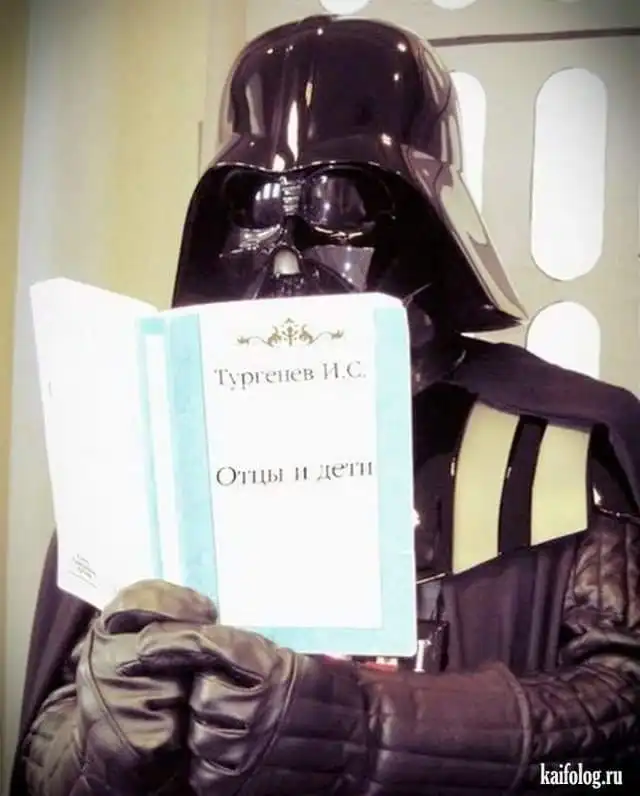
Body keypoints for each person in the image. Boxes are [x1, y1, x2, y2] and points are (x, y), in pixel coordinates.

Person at [11, 15, 640, 796]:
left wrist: (355, 726)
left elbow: (613, 745)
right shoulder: (153, 450)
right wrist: (98, 741)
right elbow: (46, 750)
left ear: (427, 218)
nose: (286, 249)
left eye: (343, 201)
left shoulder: (562, 440)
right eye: (252, 204)